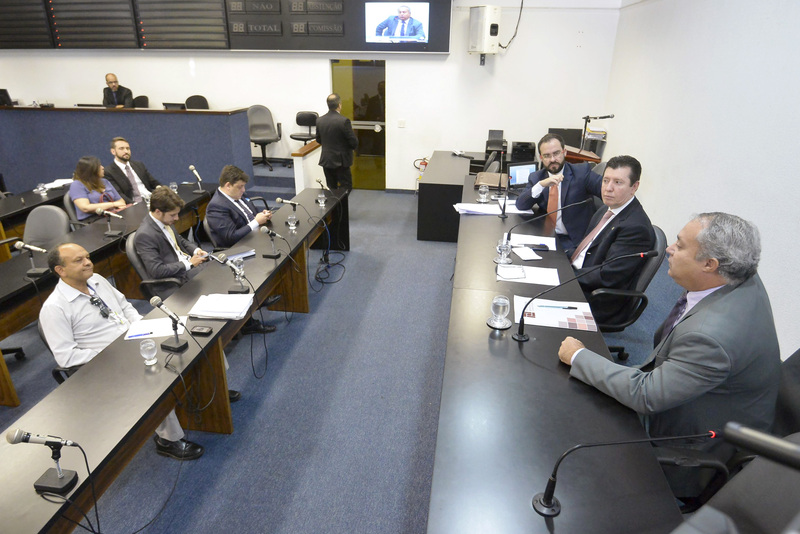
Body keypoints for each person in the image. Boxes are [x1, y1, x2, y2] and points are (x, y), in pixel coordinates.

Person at [558, 212, 780, 496]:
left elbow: (646, 395)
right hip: (697, 400)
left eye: (680, 245)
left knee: (568, 430)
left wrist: (578, 356)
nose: (668, 250)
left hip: (691, 448)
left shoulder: (711, 336)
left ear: (710, 264)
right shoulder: (738, 278)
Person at [39, 243, 204, 460]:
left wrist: (141, 326)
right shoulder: (55, 308)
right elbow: (66, 357)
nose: (88, 263)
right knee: (153, 378)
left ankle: (205, 399)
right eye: (79, 260)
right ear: (60, 270)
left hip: (134, 339)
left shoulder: (97, 280)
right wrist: (114, 352)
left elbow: (125, 306)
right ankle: (168, 440)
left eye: (87, 257)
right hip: (106, 362)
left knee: (189, 340)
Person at [570, 155, 655, 324]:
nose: (608, 188)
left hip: (597, 298)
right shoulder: (607, 209)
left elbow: (607, 276)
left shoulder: (636, 228)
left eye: (618, 182)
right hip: (581, 277)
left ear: (634, 187)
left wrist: (566, 276)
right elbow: (586, 249)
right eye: (605, 180)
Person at [515, 133, 603, 251]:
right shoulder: (537, 177)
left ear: (564, 152)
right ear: (541, 157)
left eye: (556, 153)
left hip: (574, 241)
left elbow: (607, 192)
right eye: (547, 156)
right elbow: (521, 205)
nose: (552, 159)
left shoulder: (582, 173)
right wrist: (541, 185)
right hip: (546, 236)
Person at [134, 187, 208, 298]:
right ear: (158, 212)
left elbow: (180, 241)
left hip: (188, 270)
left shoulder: (165, 221)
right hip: (175, 281)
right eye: (173, 215)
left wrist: (196, 250)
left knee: (220, 268)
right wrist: (189, 264)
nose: (177, 218)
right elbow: (157, 270)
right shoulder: (145, 235)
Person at [205, 165, 273, 248]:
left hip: (256, 237)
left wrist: (263, 216)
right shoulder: (216, 206)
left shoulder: (237, 194)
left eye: (244, 186)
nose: (243, 190)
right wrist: (256, 222)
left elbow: (253, 214)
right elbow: (231, 237)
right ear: (228, 185)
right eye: (240, 187)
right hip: (240, 247)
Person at [315, 94, 358, 190]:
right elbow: (353, 141)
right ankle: (341, 201)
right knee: (345, 188)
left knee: (331, 188)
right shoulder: (344, 121)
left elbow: (318, 139)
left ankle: (333, 201)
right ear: (339, 105)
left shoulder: (319, 120)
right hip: (341, 161)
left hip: (326, 160)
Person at [103, 137, 161, 203]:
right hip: (133, 204)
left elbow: (154, 183)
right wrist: (134, 205)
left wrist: (161, 190)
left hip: (151, 200)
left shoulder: (139, 165)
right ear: (113, 151)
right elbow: (118, 195)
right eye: (121, 148)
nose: (126, 151)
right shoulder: (109, 172)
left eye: (127, 148)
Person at [69, 156, 126, 221]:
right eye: (99, 166)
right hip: (93, 220)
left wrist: (116, 205)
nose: (102, 167)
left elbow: (121, 201)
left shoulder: (105, 181)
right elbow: (85, 208)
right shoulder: (77, 185)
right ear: (91, 170)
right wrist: (113, 204)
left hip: (112, 215)